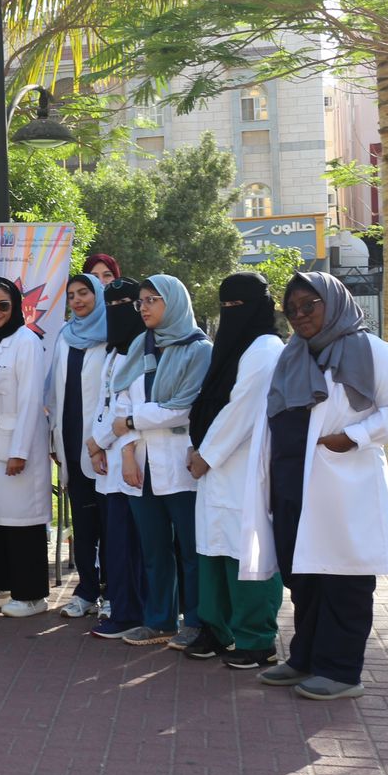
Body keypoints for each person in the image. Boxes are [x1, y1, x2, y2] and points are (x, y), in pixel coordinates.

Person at [248, 272, 388, 700]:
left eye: (310, 305)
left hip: (342, 483)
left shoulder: (370, 350)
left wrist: (354, 437)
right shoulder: (292, 355)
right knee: (304, 577)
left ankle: (341, 671)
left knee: (344, 578)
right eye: (292, 309)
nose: (300, 315)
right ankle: (305, 658)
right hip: (291, 482)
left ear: (333, 302)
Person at [184, 273, 284, 668]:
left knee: (246, 551)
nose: (230, 313)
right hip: (213, 465)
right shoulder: (230, 347)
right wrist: (199, 448)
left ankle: (257, 639)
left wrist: (206, 454)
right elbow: (209, 400)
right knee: (213, 548)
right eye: (224, 306)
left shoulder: (266, 348)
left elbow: (242, 408)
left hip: (245, 464)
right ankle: (216, 629)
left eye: (237, 305)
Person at [111, 274, 213, 648]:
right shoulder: (141, 346)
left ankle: (196, 622)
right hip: (142, 463)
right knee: (154, 550)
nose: (144, 307)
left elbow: (183, 409)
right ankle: (159, 621)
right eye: (141, 301)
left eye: (152, 300)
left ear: (175, 302)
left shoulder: (199, 350)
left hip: (179, 463)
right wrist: (127, 451)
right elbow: (120, 401)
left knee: (191, 550)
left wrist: (133, 422)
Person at [0, 277, 52, 618]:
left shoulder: (27, 341)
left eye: (3, 305)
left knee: (24, 522)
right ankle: (2, 587)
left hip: (17, 448)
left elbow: (30, 400)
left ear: (17, 306)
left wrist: (19, 451)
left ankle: (33, 596)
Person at [87, 278, 147, 639]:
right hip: (107, 459)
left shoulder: (141, 350)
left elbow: (128, 410)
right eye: (110, 306)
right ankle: (123, 608)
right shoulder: (113, 352)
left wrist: (99, 442)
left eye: (125, 304)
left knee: (129, 544)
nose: (117, 312)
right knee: (115, 542)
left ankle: (130, 613)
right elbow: (103, 402)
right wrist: (95, 445)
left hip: (131, 458)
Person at [47, 273, 109, 619]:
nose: (77, 300)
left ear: (97, 295)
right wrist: (54, 435)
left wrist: (104, 440)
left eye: (84, 293)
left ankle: (113, 592)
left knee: (110, 526)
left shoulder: (112, 336)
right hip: (70, 443)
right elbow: (54, 392)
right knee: (83, 526)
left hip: (103, 446)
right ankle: (86, 591)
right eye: (71, 295)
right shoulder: (65, 336)